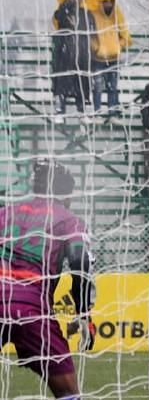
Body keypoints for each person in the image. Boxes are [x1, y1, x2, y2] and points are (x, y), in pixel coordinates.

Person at [0, 159, 96, 399]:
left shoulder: (5, 212)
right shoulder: (68, 219)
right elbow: (80, 261)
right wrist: (84, 314)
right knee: (68, 393)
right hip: (32, 307)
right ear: (65, 194)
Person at [51, 0, 95, 125]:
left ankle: (81, 112)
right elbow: (58, 19)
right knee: (62, 84)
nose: (75, 0)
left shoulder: (86, 14)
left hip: (81, 54)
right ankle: (59, 112)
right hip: (65, 55)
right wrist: (66, 4)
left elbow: (91, 30)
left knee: (81, 84)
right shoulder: (62, 12)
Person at [88, 0, 132, 125]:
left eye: (110, 1)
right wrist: (96, 47)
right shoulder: (93, 14)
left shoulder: (117, 14)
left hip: (113, 57)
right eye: (105, 1)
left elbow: (124, 32)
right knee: (98, 87)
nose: (108, 3)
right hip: (98, 58)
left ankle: (112, 113)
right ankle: (98, 113)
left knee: (112, 86)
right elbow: (90, 34)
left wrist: (120, 45)